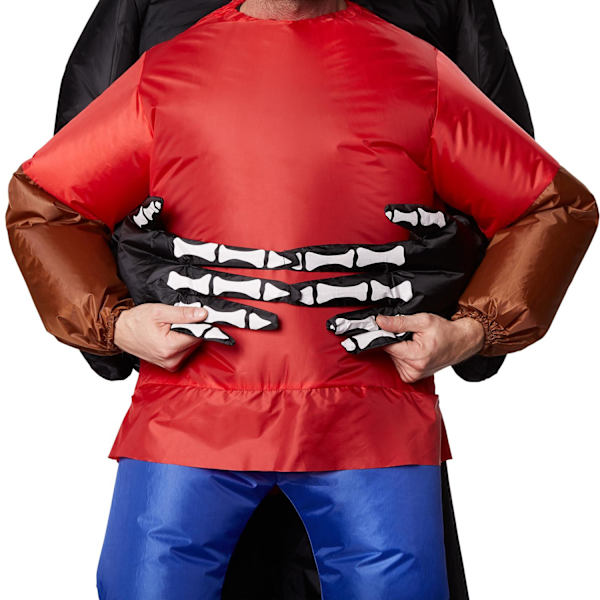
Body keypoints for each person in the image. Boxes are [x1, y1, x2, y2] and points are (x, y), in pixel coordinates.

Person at [6, 0, 597, 598]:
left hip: (367, 417)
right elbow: (54, 202)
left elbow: (543, 208)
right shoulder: (166, 64)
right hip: (196, 411)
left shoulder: (421, 65)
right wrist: (112, 326)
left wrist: (470, 331)